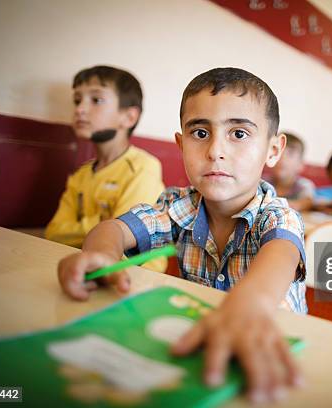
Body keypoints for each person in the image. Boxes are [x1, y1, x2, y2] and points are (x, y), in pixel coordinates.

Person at [57, 67, 307, 403]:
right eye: (200, 133)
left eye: (239, 134)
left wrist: (249, 304)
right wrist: (102, 254)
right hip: (200, 353)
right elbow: (113, 229)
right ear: (181, 143)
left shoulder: (277, 216)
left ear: (273, 150)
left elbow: (281, 255)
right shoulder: (178, 206)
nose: (215, 150)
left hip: (273, 361)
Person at [45, 65, 164, 250]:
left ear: (129, 117)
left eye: (96, 100)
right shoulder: (82, 174)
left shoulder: (143, 167)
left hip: (136, 274)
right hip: (85, 263)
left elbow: (124, 242)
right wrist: (103, 222)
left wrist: (89, 228)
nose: (80, 109)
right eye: (77, 101)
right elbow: (53, 233)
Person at [266, 132, 315, 211]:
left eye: (290, 154)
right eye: (279, 152)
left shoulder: (304, 185)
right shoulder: (263, 182)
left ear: (301, 165)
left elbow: (306, 203)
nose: (283, 158)